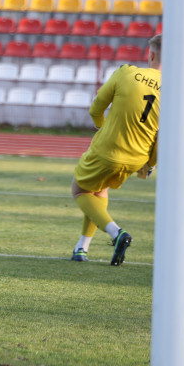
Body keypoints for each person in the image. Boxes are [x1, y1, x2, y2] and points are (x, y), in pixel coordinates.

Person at [70, 34, 162, 265]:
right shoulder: (176, 91)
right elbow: (162, 138)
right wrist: (149, 165)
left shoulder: (126, 73)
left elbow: (96, 109)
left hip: (107, 150)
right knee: (99, 191)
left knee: (80, 190)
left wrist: (103, 128)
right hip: (137, 157)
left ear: (150, 55)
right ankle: (82, 248)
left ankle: (116, 232)